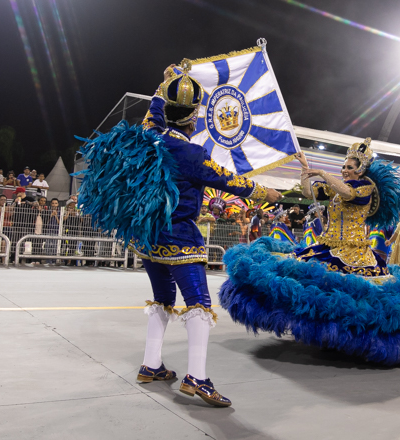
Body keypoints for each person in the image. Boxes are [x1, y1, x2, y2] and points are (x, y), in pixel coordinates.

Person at [78, 62, 282, 407]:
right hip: (181, 240)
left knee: (163, 300)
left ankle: (151, 365)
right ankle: (197, 378)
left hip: (148, 238)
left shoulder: (150, 134)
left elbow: (153, 108)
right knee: (199, 305)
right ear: (191, 118)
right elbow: (229, 180)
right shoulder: (190, 152)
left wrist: (166, 81)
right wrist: (266, 193)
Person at [219, 139, 400, 366]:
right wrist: (305, 167)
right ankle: (319, 331)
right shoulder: (337, 188)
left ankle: (348, 338)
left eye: (350, 167)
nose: (345, 170)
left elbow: (348, 193)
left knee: (347, 291)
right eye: (344, 167)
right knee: (302, 273)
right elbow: (309, 190)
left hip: (354, 252)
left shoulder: (365, 188)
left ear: (361, 170)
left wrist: (321, 171)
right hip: (329, 245)